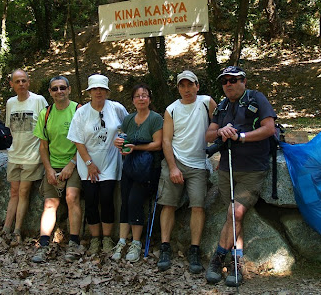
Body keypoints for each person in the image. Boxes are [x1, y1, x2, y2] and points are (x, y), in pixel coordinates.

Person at [205, 66, 276, 287]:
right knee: (233, 217)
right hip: (227, 169)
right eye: (225, 81)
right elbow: (208, 134)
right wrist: (221, 132)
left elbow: (269, 128)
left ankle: (218, 259)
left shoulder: (257, 98)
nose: (229, 84)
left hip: (252, 169)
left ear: (243, 81)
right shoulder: (223, 105)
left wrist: (241, 136)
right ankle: (237, 261)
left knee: (234, 212)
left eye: (233, 80)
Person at [156, 70, 217, 272]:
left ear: (197, 86)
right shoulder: (171, 109)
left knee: (198, 206)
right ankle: (165, 247)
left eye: (190, 85)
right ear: (178, 88)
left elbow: (218, 128)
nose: (186, 89)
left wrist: (218, 155)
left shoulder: (206, 102)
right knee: (168, 205)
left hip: (199, 163)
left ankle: (195, 250)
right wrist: (172, 167)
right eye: (182, 85)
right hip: (176, 160)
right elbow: (166, 140)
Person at [67, 74, 128, 255]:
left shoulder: (116, 109)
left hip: (109, 161)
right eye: (94, 89)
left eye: (101, 89)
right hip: (87, 163)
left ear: (107, 91)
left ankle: (107, 238)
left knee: (107, 199)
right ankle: (95, 239)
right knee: (92, 201)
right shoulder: (82, 112)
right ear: (90, 92)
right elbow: (78, 140)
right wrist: (89, 163)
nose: (98, 92)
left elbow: (127, 128)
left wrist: (123, 142)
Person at [31, 76, 84, 263]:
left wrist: (72, 164)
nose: (59, 91)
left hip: (76, 162)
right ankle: (43, 244)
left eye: (63, 87)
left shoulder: (79, 111)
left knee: (71, 197)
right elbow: (43, 146)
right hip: (53, 164)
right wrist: (49, 169)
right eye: (55, 89)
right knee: (50, 204)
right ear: (50, 92)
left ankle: (74, 242)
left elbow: (85, 143)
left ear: (69, 90)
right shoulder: (45, 114)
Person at [112, 84, 163, 262]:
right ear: (133, 100)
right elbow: (124, 138)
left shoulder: (156, 119)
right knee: (124, 201)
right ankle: (121, 241)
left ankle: (135, 243)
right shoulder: (128, 119)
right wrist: (120, 144)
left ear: (149, 99)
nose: (141, 99)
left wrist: (136, 147)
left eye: (144, 95)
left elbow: (158, 144)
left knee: (135, 200)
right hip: (130, 166)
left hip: (148, 169)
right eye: (137, 96)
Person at [3, 69, 48, 244]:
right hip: (15, 155)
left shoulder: (38, 101)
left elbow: (46, 128)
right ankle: (6, 228)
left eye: (24, 81)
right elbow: (10, 128)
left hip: (32, 156)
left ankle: (17, 231)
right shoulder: (11, 103)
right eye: (17, 81)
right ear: (12, 84)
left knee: (23, 192)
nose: (21, 84)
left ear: (29, 82)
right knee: (13, 192)